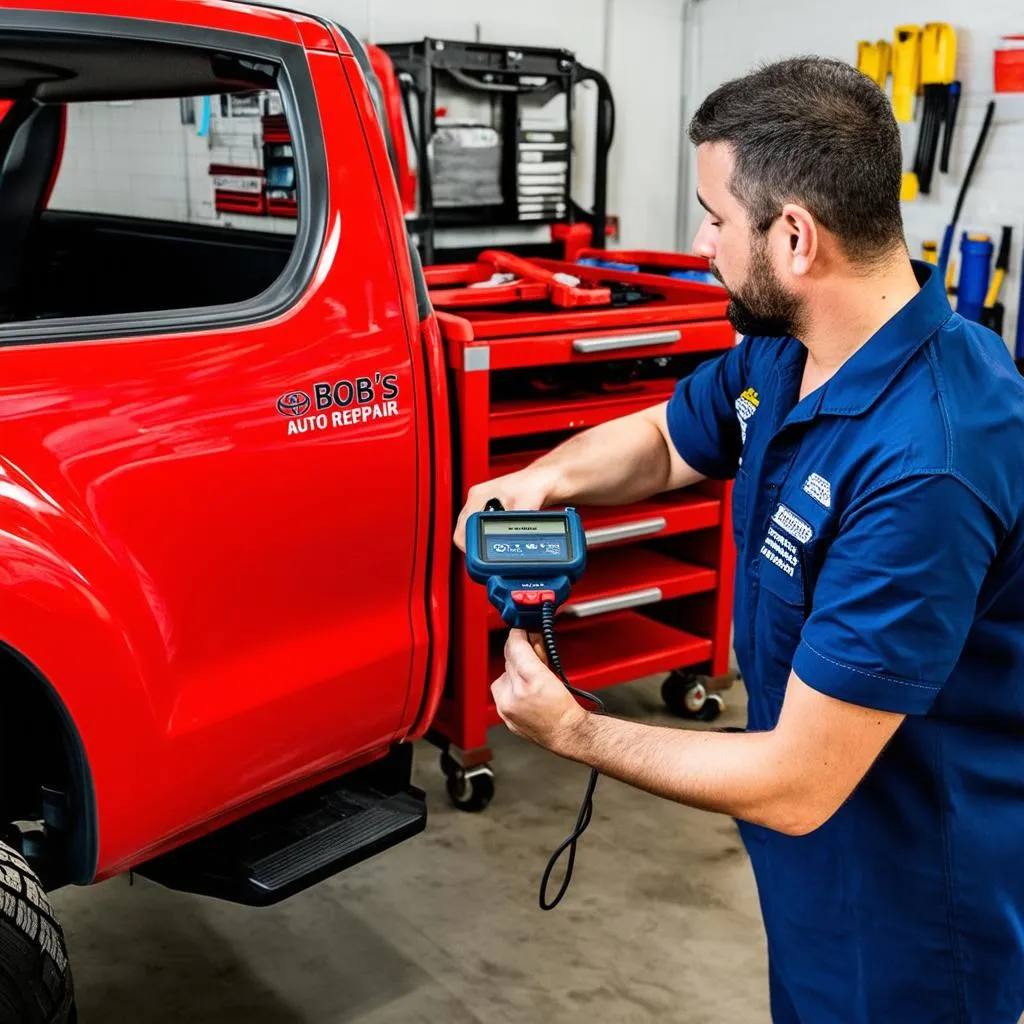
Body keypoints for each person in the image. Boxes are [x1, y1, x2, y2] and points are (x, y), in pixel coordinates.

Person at [453, 57, 1024, 1024]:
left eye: (717, 217)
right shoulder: (790, 343)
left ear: (796, 235)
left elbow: (797, 782)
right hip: (810, 870)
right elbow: (672, 437)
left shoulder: (929, 461)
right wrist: (540, 477)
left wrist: (575, 731)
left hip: (911, 911)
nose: (700, 238)